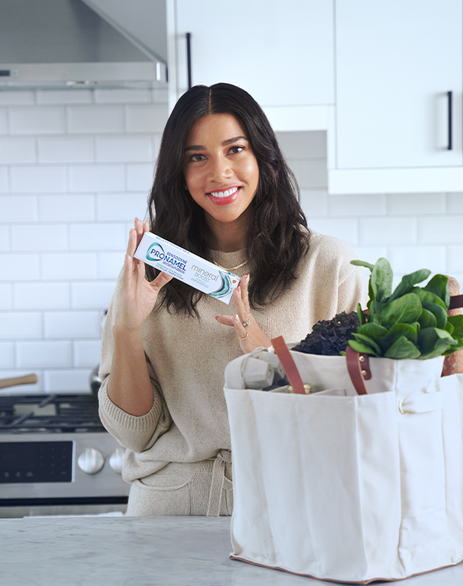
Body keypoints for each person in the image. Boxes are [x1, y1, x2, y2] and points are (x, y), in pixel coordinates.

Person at [98, 83, 367, 516]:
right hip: (170, 510)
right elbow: (136, 434)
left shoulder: (330, 265)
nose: (219, 172)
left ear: (263, 156)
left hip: (296, 504)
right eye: (197, 157)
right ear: (178, 173)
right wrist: (126, 329)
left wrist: (270, 359)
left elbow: (361, 410)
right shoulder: (151, 269)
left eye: (235, 149)